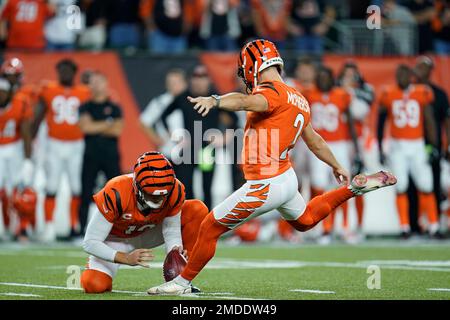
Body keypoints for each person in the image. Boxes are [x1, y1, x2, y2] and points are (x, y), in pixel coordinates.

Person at [147, 39, 397, 295]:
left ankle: (181, 282)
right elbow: (315, 141)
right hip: (286, 178)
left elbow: (246, 102)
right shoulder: (299, 98)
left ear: (252, 66)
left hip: (265, 183)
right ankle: (353, 189)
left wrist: (215, 100)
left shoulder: (271, 92)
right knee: (305, 220)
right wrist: (337, 165)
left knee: (210, 226)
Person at [80, 151, 208, 293]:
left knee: (197, 209)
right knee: (93, 285)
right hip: (117, 240)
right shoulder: (117, 191)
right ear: (137, 186)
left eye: (163, 195)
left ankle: (182, 280)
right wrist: (125, 258)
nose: (158, 200)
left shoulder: (175, 190)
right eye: (151, 195)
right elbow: (90, 242)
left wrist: (175, 255)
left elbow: (171, 230)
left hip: (150, 232)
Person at [378, 64, 440, 238]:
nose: (401, 78)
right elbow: (381, 122)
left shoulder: (422, 92)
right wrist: (380, 147)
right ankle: (404, 227)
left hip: (418, 145)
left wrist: (434, 145)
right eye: (398, 74)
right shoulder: (388, 93)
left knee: (426, 186)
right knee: (401, 187)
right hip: (397, 146)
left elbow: (429, 120)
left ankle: (433, 226)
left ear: (411, 76)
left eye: (404, 74)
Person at [33, 59, 91, 242]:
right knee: (51, 185)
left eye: (68, 70)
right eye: (61, 70)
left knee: (76, 186)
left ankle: (74, 226)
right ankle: (49, 226)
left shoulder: (84, 92)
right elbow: (39, 114)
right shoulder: (48, 89)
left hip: (76, 144)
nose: (64, 74)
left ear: (74, 72)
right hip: (54, 144)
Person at [303, 65, 361, 244]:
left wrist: (356, 148)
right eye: (319, 77)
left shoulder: (342, 95)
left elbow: (350, 122)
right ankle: (323, 228)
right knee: (318, 184)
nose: (323, 81)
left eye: (325, 77)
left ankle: (344, 228)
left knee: (343, 186)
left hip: (339, 144)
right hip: (317, 145)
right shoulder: (308, 94)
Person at [156, 65, 221, 209]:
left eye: (202, 78)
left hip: (206, 149)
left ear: (208, 80)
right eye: (196, 78)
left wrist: (224, 135)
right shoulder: (184, 97)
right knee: (185, 187)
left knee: (206, 188)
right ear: (191, 80)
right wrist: (175, 136)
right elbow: (163, 115)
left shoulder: (215, 98)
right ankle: (189, 219)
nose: (199, 82)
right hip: (188, 148)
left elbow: (233, 119)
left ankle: (206, 221)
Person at [78, 72, 123, 237]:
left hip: (110, 156)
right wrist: (108, 123)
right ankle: (82, 229)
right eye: (93, 82)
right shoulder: (85, 106)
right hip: (91, 156)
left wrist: (96, 125)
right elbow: (85, 128)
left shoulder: (115, 107)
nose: (95, 85)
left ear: (106, 83)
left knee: (117, 194)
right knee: (86, 192)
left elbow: (117, 130)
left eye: (99, 81)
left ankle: (119, 230)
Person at [337, 61, 375, 242]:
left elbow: (361, 111)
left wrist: (349, 92)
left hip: (358, 141)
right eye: (347, 74)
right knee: (342, 185)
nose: (350, 78)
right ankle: (343, 226)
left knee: (359, 184)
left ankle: (360, 225)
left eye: (353, 74)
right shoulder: (335, 89)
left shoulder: (365, 89)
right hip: (340, 142)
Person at [414, 56, 450, 230]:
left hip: (431, 144)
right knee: (411, 186)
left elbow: (446, 121)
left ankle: (436, 223)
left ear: (430, 70)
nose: (420, 70)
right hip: (412, 143)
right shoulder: (409, 90)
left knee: (434, 184)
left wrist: (447, 145)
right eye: (418, 67)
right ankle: (415, 224)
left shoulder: (439, 93)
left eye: (424, 67)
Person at [0, 78, 34, 241]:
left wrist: (28, 159)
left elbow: (26, 133)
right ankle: (4, 227)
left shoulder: (20, 103)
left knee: (20, 191)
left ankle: (21, 228)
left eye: (3, 92)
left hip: (14, 148)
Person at [140, 69, 187, 158]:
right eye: (171, 83)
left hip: (189, 153)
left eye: (177, 82)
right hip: (167, 152)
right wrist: (156, 139)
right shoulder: (160, 102)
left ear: (185, 83)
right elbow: (143, 122)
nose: (174, 86)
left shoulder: (193, 101)